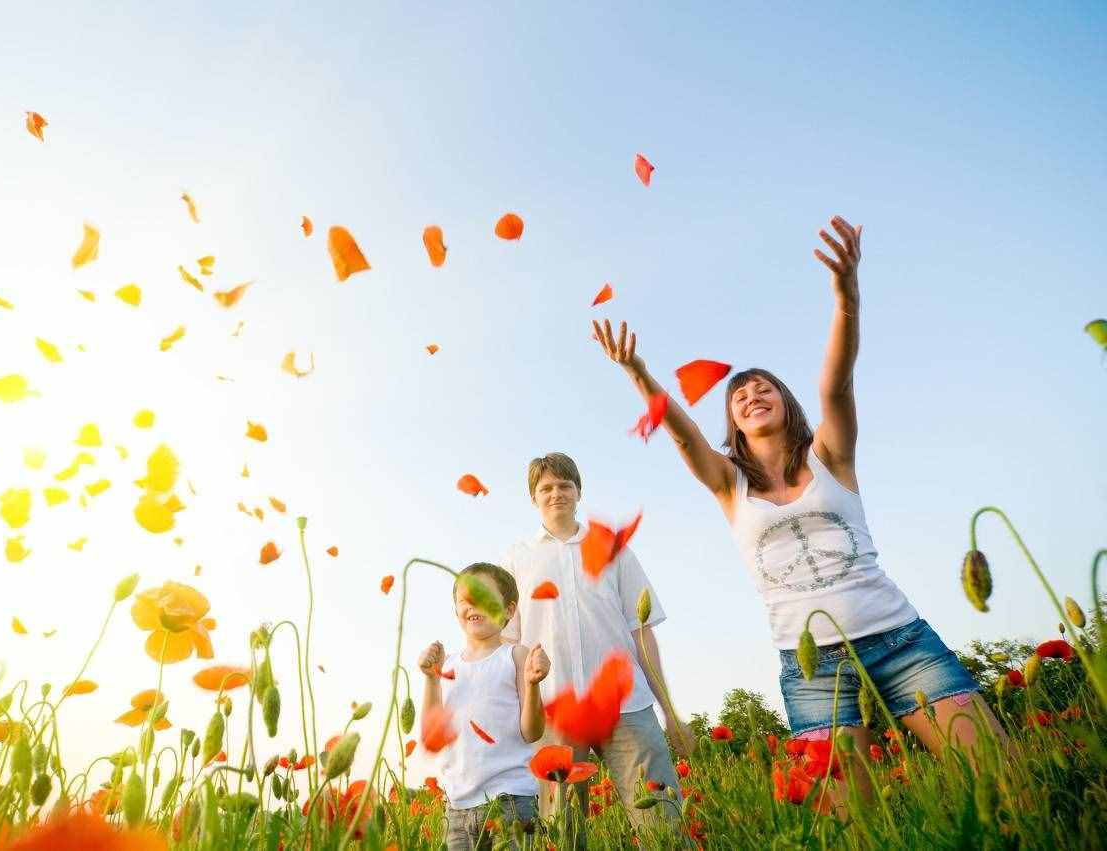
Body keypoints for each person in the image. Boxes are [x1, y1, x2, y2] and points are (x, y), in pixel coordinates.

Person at [592, 215, 1004, 795]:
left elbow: (836, 385)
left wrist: (847, 296)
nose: (752, 394)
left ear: (785, 401)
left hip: (899, 639)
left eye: (763, 387)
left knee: (1000, 779)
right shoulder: (727, 484)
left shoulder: (832, 455)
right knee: (851, 819)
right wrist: (637, 371)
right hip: (812, 665)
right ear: (733, 422)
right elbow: (683, 435)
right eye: (739, 395)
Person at [499, 452, 692, 827]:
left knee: (662, 819)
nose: (556, 493)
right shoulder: (516, 559)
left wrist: (669, 710)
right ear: (533, 497)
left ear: (579, 491)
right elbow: (510, 646)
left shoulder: (613, 549)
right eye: (546, 488)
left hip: (627, 706)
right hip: (555, 709)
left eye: (564, 486)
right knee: (563, 830)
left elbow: (643, 631)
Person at [419, 562, 550, 851]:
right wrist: (431, 679)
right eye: (466, 600)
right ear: (456, 612)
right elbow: (432, 736)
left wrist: (532, 684)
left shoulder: (515, 656)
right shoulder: (448, 665)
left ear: (509, 610)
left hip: (511, 801)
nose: (473, 605)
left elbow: (532, 732)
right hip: (457, 808)